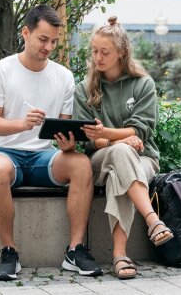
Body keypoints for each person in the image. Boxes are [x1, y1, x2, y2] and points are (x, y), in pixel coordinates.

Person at [0, 4, 103, 281]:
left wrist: (68, 144)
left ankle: (75, 250)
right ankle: (9, 251)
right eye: (43, 39)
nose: (49, 47)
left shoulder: (63, 76)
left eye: (54, 41)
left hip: (42, 157)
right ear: (26, 32)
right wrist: (22, 123)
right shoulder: (0, 70)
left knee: (81, 164)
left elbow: (63, 127)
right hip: (4, 152)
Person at [73, 16, 174, 279]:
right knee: (119, 152)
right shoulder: (84, 89)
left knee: (121, 170)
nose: (98, 57)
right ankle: (152, 220)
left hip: (143, 158)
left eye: (104, 52)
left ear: (121, 52)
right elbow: (85, 138)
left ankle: (120, 256)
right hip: (98, 159)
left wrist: (108, 134)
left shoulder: (143, 84)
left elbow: (140, 132)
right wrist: (115, 139)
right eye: (94, 51)